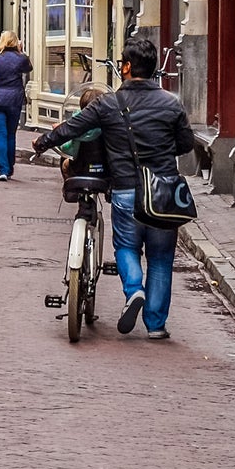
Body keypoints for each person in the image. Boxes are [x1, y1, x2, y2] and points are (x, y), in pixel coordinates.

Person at [32, 38, 195, 341]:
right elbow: (185, 144)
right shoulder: (172, 103)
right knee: (161, 259)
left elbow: (73, 128)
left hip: (126, 189)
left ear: (127, 67)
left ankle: (134, 290)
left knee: (126, 247)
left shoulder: (108, 103)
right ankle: (156, 325)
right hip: (163, 193)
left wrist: (42, 142)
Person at [0, 30, 31, 182]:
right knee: (11, 134)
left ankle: (2, 169)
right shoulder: (21, 58)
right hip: (14, 100)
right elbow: (28, 68)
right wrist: (21, 51)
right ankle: (9, 168)